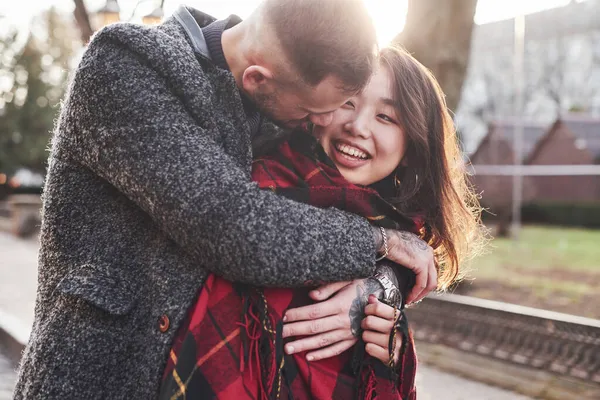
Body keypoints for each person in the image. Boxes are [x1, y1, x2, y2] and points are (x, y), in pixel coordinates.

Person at [13, 1, 437, 399]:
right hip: (99, 373)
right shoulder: (125, 64)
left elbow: (326, 211)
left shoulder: (282, 94)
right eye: (312, 112)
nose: (326, 123)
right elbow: (233, 224)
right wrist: (380, 244)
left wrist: (382, 282)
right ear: (258, 79)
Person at [159, 46, 485, 400]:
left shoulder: (399, 248)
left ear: (412, 149)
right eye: (347, 102)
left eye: (387, 117)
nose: (357, 126)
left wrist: (386, 356)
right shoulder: (248, 180)